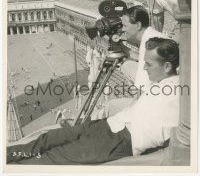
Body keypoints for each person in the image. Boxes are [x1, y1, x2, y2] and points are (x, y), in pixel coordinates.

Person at [7, 38, 180, 165]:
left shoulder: (179, 93)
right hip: (109, 125)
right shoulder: (158, 80)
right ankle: (7, 155)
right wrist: (126, 55)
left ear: (166, 67)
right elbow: (133, 69)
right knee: (48, 138)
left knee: (52, 158)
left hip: (121, 141)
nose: (144, 68)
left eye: (148, 64)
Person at [91, 6, 168, 119]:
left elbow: (142, 87)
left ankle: (86, 124)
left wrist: (132, 112)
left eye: (125, 26)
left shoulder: (149, 44)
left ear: (138, 25)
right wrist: (127, 52)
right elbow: (141, 58)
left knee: (113, 108)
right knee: (126, 66)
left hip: (152, 105)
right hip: (161, 94)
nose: (123, 29)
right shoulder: (154, 36)